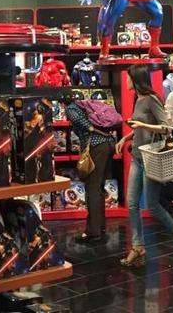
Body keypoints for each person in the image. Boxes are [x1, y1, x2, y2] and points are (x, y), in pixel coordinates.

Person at [117, 64, 173, 267]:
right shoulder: (138, 99)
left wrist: (143, 125)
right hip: (137, 156)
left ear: (136, 79)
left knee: (152, 205)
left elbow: (166, 128)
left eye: (129, 77)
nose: (126, 80)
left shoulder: (151, 99)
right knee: (132, 203)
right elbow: (139, 129)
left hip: (151, 159)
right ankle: (138, 247)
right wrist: (126, 137)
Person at [64, 92, 116, 244]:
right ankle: (100, 227)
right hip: (108, 144)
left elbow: (80, 121)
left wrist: (91, 129)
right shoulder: (87, 105)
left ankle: (94, 232)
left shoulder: (71, 108)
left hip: (95, 146)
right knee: (99, 187)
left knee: (92, 187)